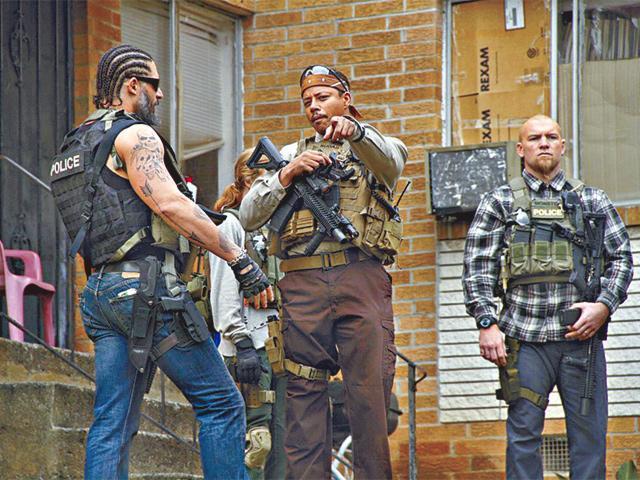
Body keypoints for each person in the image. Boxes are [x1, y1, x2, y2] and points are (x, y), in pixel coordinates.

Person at [49, 44, 273, 479]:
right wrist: (240, 260)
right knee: (222, 404)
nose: (161, 94)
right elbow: (169, 204)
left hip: (100, 294)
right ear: (133, 85)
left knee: (112, 421)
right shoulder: (136, 135)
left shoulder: (75, 144)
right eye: (155, 84)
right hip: (147, 290)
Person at [239, 65, 408, 479]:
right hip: (301, 284)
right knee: (302, 399)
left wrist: (356, 133)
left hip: (359, 276)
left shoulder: (376, 145)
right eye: (307, 101)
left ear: (345, 99)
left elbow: (392, 164)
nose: (314, 107)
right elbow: (248, 215)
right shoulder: (290, 153)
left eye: (323, 97)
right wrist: (287, 173)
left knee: (369, 398)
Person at [462, 114, 633, 479]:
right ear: (520, 148)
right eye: (535, 138)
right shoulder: (499, 202)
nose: (544, 143)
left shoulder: (591, 200)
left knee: (589, 439)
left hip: (581, 341)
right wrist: (486, 323)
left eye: (551, 137)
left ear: (562, 146)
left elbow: (621, 259)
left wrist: (603, 306)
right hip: (525, 342)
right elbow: (478, 267)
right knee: (522, 437)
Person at [209, 149, 286, 480]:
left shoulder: (275, 228)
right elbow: (223, 290)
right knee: (256, 445)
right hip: (247, 347)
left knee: (283, 447)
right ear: (246, 182)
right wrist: (239, 341)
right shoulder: (230, 224)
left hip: (278, 347)